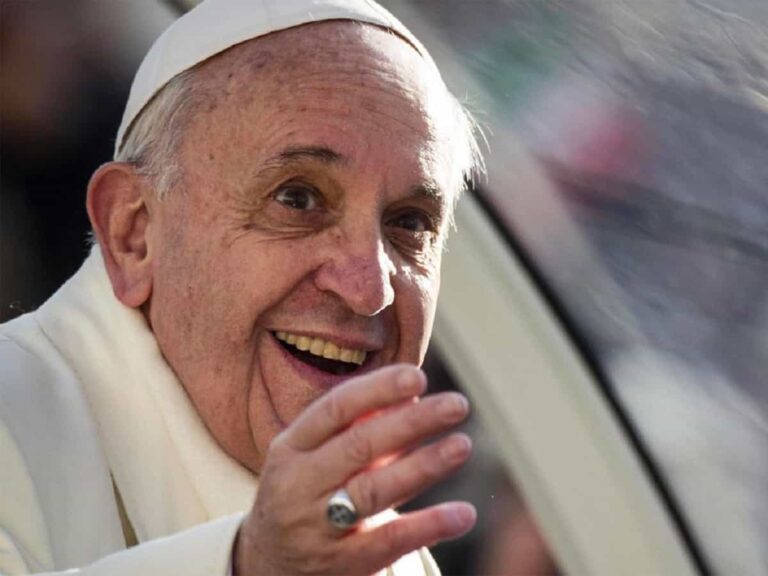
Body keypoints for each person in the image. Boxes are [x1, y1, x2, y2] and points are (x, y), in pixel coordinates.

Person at [0, 0, 484, 574]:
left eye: (409, 223)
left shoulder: (385, 548)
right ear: (134, 234)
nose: (369, 289)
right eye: (297, 199)